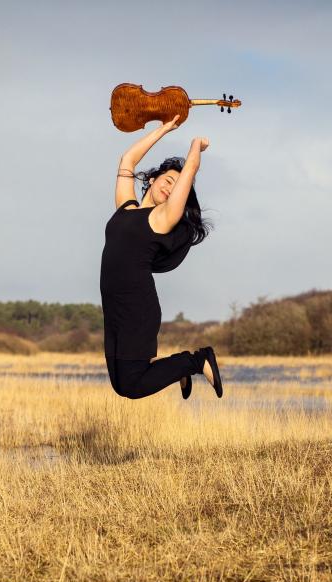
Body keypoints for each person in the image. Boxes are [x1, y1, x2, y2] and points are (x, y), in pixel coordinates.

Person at [100, 113, 223, 400]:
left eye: (176, 187)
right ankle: (179, 367)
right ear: (153, 179)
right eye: (167, 180)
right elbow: (127, 161)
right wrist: (164, 129)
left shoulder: (162, 218)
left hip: (136, 307)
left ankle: (197, 360)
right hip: (113, 307)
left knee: (132, 386)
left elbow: (189, 171)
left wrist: (195, 148)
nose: (169, 188)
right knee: (121, 384)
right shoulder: (125, 208)